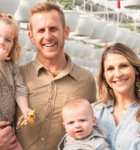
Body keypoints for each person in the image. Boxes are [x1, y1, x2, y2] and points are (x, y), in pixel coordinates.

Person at [14, 1, 96, 150]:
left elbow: (92, 130)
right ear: (31, 37)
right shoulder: (17, 76)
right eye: (40, 30)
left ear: (65, 32)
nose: (48, 36)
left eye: (53, 28)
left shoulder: (86, 80)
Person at [93, 43, 140, 150]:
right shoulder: (92, 112)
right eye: (110, 69)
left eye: (123, 66)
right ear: (104, 76)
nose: (118, 74)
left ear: (136, 70)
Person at [0, 12, 33, 150]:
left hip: (7, 126)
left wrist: (24, 108)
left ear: (13, 45)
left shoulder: (12, 65)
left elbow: (19, 88)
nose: (2, 42)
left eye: (8, 40)